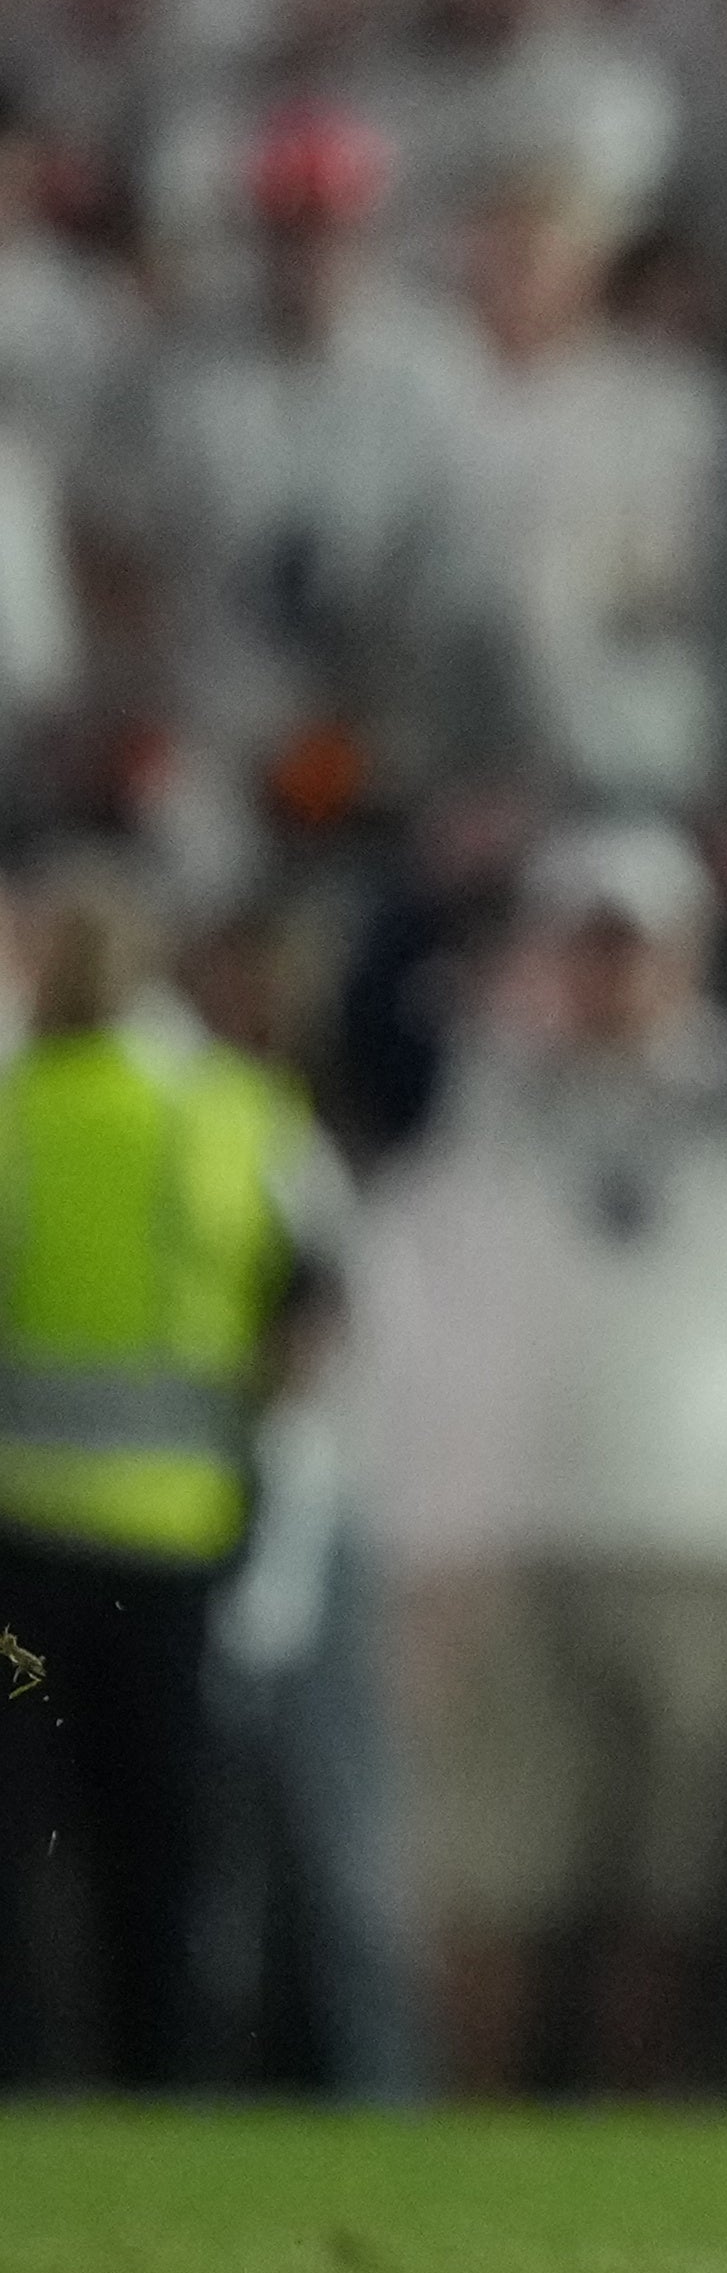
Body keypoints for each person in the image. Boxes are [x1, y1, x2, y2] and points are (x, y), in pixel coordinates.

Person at [353, 819, 727, 2094]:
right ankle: (485, 2143)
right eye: (584, 943)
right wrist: (430, 879)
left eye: (637, 946)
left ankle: (625, 2142)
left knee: (663, 1890)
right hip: (495, 1530)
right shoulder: (471, 1077)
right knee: (494, 1878)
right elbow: (357, 1040)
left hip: (705, 1531)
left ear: (690, 956)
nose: (608, 975)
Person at [0, 858, 322, 2086]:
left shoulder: (15, 1110)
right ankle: (165, 2085)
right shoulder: (233, 1109)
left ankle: (29, 2082)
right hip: (178, 1540)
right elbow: (304, 1314)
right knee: (162, 1846)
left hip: (22, 1540)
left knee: (27, 1848)